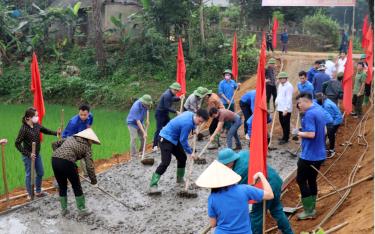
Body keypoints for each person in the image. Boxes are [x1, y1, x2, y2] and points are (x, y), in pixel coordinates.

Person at [217, 149, 293, 234]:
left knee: (256, 215)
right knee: (276, 208)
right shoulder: (244, 153)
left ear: (230, 162)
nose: (225, 166)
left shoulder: (239, 172)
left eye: (225, 164)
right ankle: (288, 231)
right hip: (275, 180)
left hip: (266, 187)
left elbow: (241, 192)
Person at [195, 160, 274, 234]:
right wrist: (261, 175)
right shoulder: (244, 189)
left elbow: (213, 224)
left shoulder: (212, 198)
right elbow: (270, 195)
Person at [148, 109, 209, 195]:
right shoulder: (187, 124)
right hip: (165, 138)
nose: (199, 123)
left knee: (182, 158)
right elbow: (183, 140)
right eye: (199, 121)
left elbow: (193, 124)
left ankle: (179, 178)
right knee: (165, 162)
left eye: (201, 122)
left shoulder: (190, 114)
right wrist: (191, 152)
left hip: (174, 139)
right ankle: (153, 185)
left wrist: (194, 129)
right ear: (197, 115)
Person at [52, 128, 100, 216]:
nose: (91, 143)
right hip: (67, 162)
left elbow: (54, 144)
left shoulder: (70, 138)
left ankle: (64, 210)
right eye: (92, 141)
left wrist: (59, 155)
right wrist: (94, 181)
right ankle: (82, 210)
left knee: (62, 186)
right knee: (76, 185)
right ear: (89, 139)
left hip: (55, 160)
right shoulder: (87, 147)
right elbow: (89, 166)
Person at [15, 107, 61, 199]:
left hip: (37, 154)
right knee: (30, 174)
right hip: (28, 156)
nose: (37, 117)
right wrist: (28, 154)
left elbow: (45, 130)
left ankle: (38, 191)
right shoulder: (24, 129)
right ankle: (29, 193)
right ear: (28, 118)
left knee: (40, 172)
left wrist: (57, 133)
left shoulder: (36, 125)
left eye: (37, 115)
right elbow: (17, 144)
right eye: (35, 116)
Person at [294, 93, 327, 220]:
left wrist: (299, 132)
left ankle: (308, 211)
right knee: (312, 179)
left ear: (305, 101)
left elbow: (311, 134)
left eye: (299, 103)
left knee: (301, 180)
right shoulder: (319, 110)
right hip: (319, 154)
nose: (299, 106)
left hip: (309, 155)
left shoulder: (309, 114)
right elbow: (323, 131)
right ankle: (312, 206)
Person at [62, 104, 94, 176]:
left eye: (85, 115)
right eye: (81, 114)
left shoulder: (90, 116)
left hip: (83, 136)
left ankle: (86, 173)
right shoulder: (74, 122)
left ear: (88, 113)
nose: (82, 116)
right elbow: (70, 137)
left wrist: (89, 135)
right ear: (78, 113)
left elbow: (89, 125)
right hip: (69, 137)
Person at [152, 82, 183, 151]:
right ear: (172, 89)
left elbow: (173, 98)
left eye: (177, 90)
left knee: (169, 126)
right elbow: (167, 107)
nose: (176, 92)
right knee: (159, 129)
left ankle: (169, 141)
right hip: (160, 114)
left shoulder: (171, 93)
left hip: (165, 114)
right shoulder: (167, 95)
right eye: (175, 90)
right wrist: (176, 112)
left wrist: (179, 98)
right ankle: (155, 145)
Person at [315, 93, 342, 158]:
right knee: (327, 133)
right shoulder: (325, 100)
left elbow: (329, 118)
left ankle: (332, 150)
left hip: (335, 121)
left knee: (330, 134)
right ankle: (324, 147)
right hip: (333, 119)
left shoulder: (327, 105)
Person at [126, 94, 152, 158]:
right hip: (132, 123)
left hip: (140, 121)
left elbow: (147, 110)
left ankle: (141, 152)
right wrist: (144, 132)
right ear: (143, 102)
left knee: (143, 138)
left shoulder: (147, 105)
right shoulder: (136, 107)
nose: (148, 105)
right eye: (147, 104)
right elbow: (138, 122)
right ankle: (133, 155)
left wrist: (147, 120)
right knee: (134, 138)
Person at [275, 71, 294, 145]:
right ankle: (284, 136)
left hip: (286, 109)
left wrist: (286, 109)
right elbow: (279, 94)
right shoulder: (280, 85)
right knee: (282, 122)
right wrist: (276, 101)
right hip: (280, 107)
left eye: (280, 78)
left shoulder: (289, 86)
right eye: (279, 79)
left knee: (286, 123)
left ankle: (286, 138)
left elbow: (289, 98)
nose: (279, 80)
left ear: (285, 78)